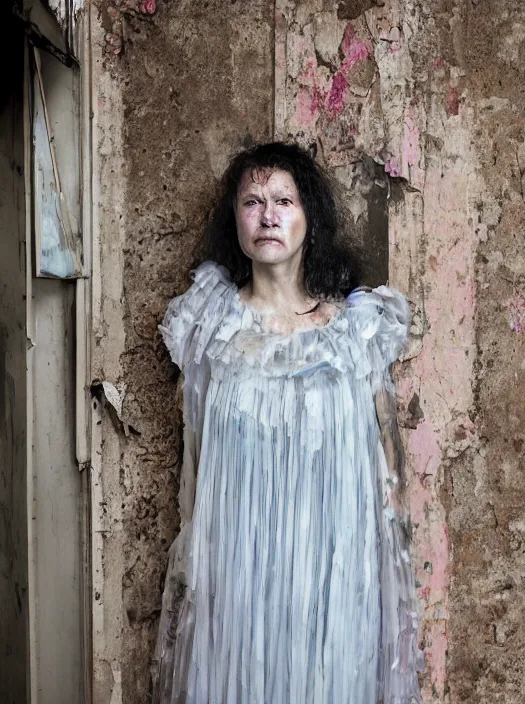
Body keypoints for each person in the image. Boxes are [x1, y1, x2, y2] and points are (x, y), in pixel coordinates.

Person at [153, 142, 423, 703]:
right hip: (239, 570)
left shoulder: (356, 335)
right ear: (236, 220)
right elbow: (195, 469)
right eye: (253, 202)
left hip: (333, 573)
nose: (268, 215)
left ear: (308, 218)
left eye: (284, 200)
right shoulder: (211, 331)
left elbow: (388, 474)